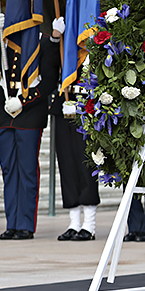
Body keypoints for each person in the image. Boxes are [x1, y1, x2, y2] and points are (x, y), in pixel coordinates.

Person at [0, 13, 59, 240]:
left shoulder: (41, 41)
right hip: (4, 113)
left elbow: (50, 80)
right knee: (9, 169)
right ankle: (11, 222)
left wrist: (24, 100)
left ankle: (25, 224)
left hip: (28, 114)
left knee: (27, 170)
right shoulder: (5, 40)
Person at [48, 19, 101, 241]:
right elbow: (49, 69)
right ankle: (73, 222)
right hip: (64, 111)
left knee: (85, 165)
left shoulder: (95, 50)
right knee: (67, 166)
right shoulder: (63, 49)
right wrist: (54, 39)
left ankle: (89, 224)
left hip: (86, 113)